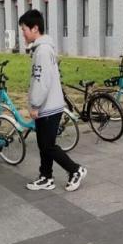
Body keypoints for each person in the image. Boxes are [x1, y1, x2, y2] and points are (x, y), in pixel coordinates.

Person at [19, 10, 88, 191]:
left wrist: (35, 104)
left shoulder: (42, 51)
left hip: (47, 107)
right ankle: (46, 177)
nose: (23, 33)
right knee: (44, 145)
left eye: (24, 29)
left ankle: (75, 170)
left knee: (48, 146)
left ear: (35, 28)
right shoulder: (43, 49)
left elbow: (41, 81)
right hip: (49, 106)